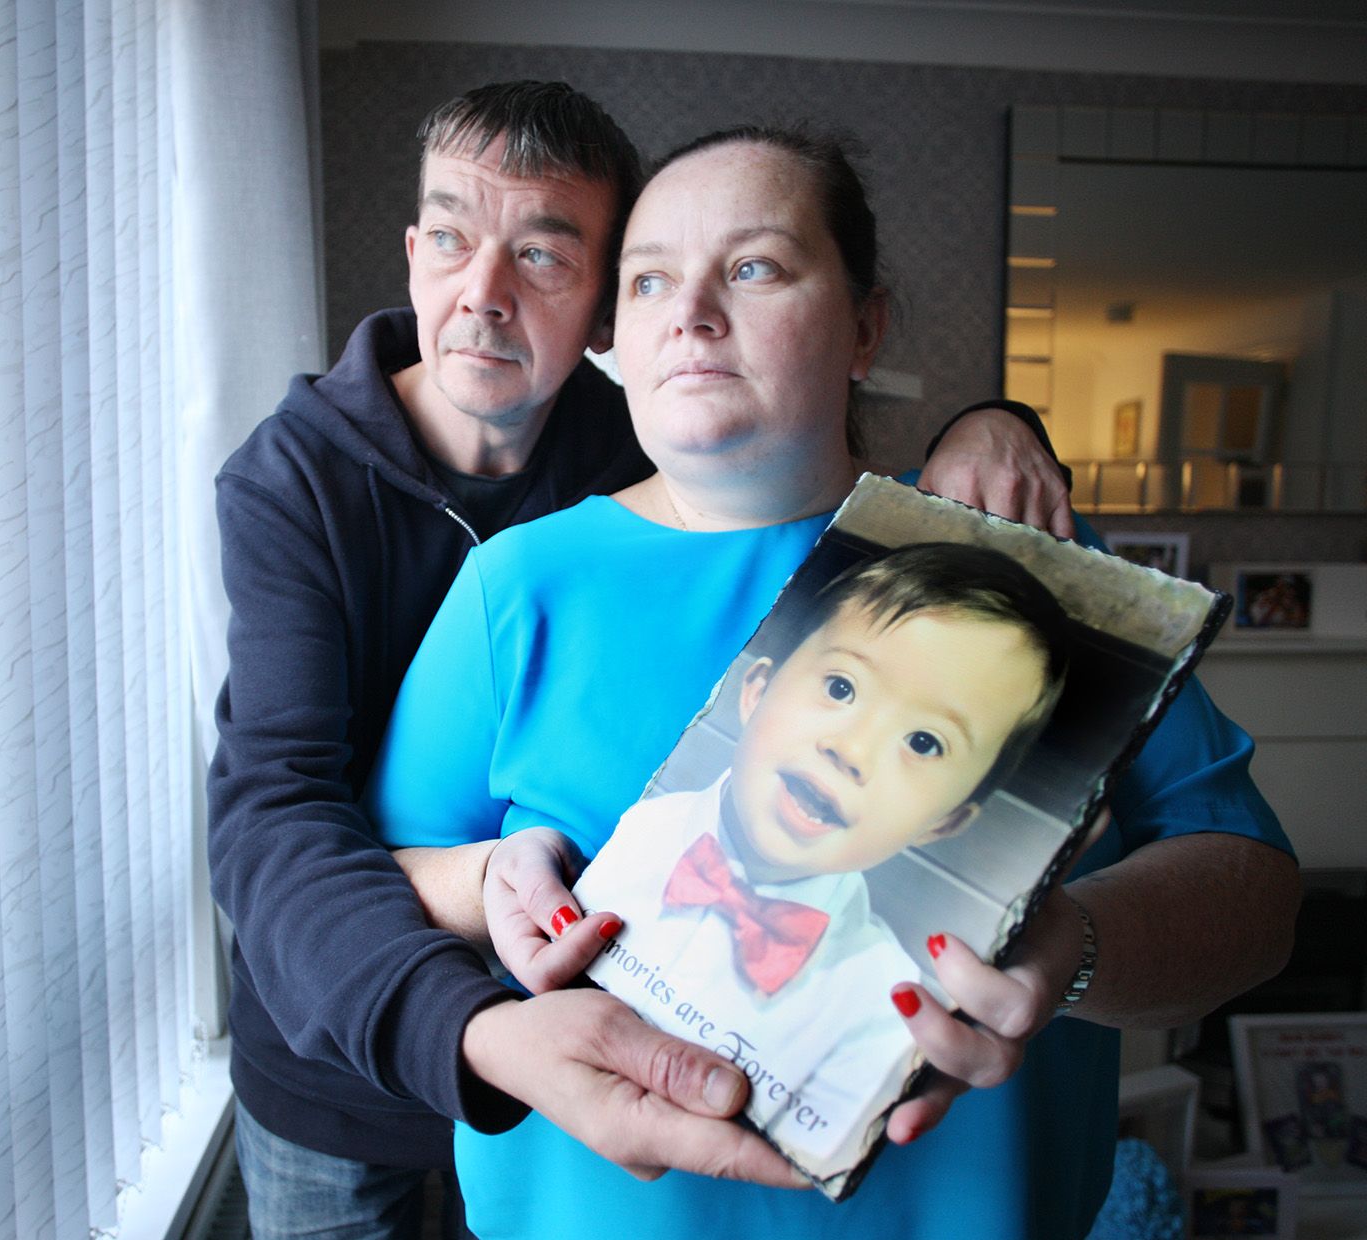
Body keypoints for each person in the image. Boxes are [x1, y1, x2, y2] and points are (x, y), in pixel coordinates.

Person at [364, 124, 1300, 1238]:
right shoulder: (514, 585)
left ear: (865, 326)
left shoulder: (1020, 568)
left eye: (754, 267)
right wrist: (486, 877)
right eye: (652, 276)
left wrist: (1069, 949)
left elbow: (1256, 895)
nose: (693, 312)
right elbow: (382, 878)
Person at [208, 80, 1077, 1238]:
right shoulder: (296, 482)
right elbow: (277, 812)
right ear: (414, 251)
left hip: (591, 1076)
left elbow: (808, 428)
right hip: (344, 1020)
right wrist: (477, 952)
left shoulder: (662, 424)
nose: (483, 296)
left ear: (601, 319)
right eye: (453, 241)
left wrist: (995, 419)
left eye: (548, 258)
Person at [574, 542, 1071, 1181]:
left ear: (943, 822)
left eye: (923, 742)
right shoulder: (627, 838)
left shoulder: (883, 1002)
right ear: (755, 689)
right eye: (840, 687)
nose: (852, 749)